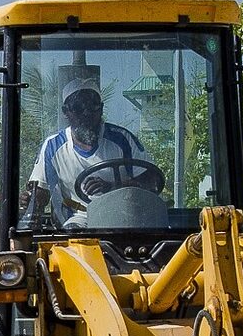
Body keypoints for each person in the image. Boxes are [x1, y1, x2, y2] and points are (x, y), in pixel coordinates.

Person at [22, 80, 154, 229]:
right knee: (73, 236)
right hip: (80, 218)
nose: (86, 114)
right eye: (78, 108)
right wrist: (32, 199)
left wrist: (113, 187)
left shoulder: (123, 140)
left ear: (101, 109)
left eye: (92, 106)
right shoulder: (52, 146)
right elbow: (41, 191)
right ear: (66, 112)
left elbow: (151, 182)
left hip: (125, 216)